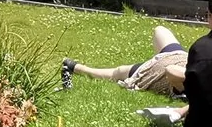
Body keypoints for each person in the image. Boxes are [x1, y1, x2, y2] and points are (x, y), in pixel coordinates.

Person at [61, 26, 189, 96]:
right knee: (160, 30)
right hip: (178, 55)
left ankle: (76, 67)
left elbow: (171, 71)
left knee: (118, 72)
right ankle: (156, 60)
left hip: (156, 71)